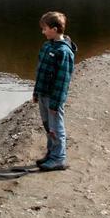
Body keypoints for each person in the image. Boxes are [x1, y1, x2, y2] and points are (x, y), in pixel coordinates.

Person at [32, 11, 77, 171]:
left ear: (55, 29)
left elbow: (63, 81)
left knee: (56, 127)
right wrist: (36, 93)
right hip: (43, 94)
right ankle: (51, 154)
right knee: (47, 126)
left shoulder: (64, 52)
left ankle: (59, 159)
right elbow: (40, 72)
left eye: (45, 29)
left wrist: (55, 103)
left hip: (53, 98)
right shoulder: (47, 46)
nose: (42, 32)